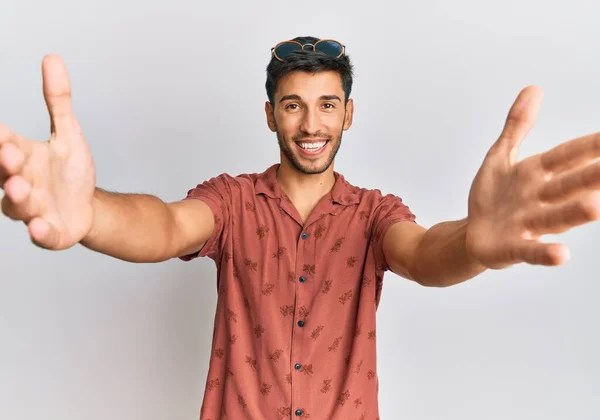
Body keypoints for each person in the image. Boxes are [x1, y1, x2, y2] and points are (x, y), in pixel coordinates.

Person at [1, 35, 599, 419]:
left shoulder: (373, 213)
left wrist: (473, 242)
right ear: (270, 115)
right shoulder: (232, 201)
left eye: (327, 104)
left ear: (349, 114)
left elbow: (421, 253)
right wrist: (91, 216)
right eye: (293, 104)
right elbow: (162, 226)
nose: (311, 123)